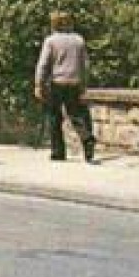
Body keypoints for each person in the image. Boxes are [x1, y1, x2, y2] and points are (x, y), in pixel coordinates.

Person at [35, 10, 97, 164]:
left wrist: (38, 84)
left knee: (54, 117)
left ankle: (58, 152)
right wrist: (84, 83)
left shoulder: (51, 41)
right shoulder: (79, 40)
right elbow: (85, 65)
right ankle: (87, 138)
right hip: (74, 82)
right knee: (76, 114)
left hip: (57, 82)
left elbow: (43, 64)